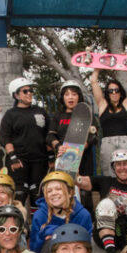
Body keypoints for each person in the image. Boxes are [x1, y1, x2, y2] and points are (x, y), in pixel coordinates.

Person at [76, 150, 127, 253]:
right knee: (106, 203)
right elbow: (77, 180)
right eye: (118, 165)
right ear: (114, 168)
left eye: (125, 164)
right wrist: (67, 158)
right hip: (104, 235)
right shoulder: (105, 181)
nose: (122, 168)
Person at [0, 76, 52, 206]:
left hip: (39, 160)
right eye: (25, 91)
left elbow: (48, 135)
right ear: (16, 95)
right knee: (20, 193)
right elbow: (5, 137)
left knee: (37, 194)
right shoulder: (11, 114)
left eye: (31, 90)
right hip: (19, 160)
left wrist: (51, 157)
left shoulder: (40, 111)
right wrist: (13, 157)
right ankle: (17, 224)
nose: (29, 93)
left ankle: (37, 224)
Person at [48, 80, 97, 210]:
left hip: (84, 158)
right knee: (66, 189)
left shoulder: (87, 113)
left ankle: (88, 222)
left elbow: (94, 135)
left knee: (85, 191)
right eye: (67, 94)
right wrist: (58, 146)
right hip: (65, 157)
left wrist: (83, 146)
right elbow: (50, 136)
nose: (70, 97)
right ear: (62, 97)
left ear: (79, 96)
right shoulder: (59, 116)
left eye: (74, 94)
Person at [29, 170, 93, 253]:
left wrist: (57, 234)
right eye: (49, 191)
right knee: (50, 242)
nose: (53, 193)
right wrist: (43, 236)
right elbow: (34, 249)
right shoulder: (40, 215)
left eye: (58, 189)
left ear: (70, 192)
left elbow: (86, 248)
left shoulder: (83, 214)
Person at [90, 71, 127, 168]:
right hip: (107, 143)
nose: (114, 93)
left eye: (116, 90)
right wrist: (97, 70)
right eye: (111, 91)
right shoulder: (102, 104)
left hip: (124, 142)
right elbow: (94, 82)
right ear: (107, 93)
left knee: (126, 170)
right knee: (109, 172)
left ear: (120, 92)